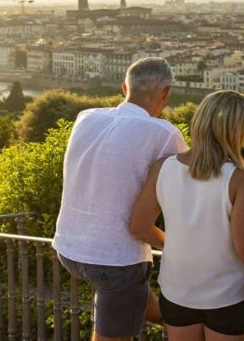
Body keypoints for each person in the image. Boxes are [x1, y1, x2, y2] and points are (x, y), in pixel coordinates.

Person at [53, 57, 189, 341]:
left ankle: (173, 324)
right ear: (165, 93)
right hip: (115, 259)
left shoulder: (86, 117)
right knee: (115, 324)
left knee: (135, 298)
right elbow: (187, 195)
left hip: (68, 246)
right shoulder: (165, 133)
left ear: (124, 86)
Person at [130, 90, 244, 341]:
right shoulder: (242, 178)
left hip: (178, 290)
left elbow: (139, 227)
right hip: (230, 294)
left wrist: (182, 246)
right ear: (235, 128)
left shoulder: (163, 167)